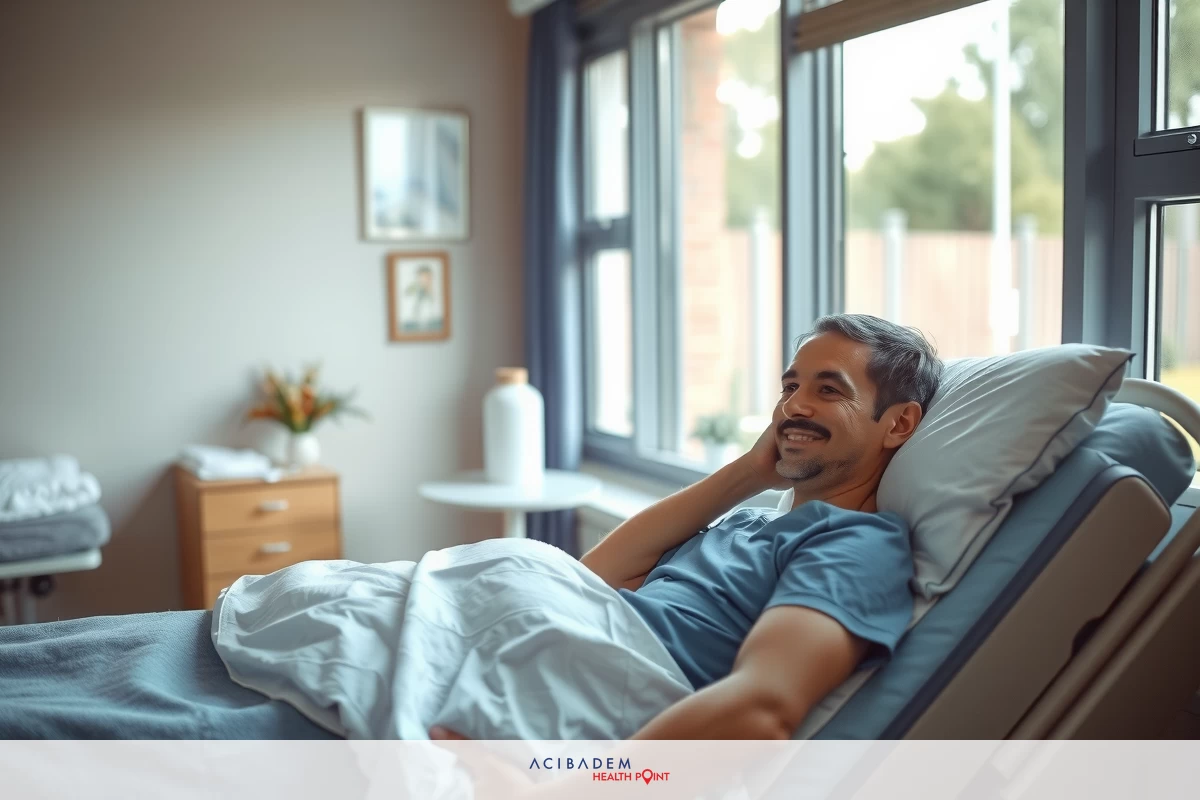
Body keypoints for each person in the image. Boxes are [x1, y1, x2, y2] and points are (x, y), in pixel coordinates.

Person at [432, 313, 944, 741]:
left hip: (583, 683)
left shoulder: (856, 544)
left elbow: (761, 710)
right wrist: (748, 471)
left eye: (829, 390)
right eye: (790, 386)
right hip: (522, 635)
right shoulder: (746, 522)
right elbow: (590, 578)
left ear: (897, 424)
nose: (792, 407)